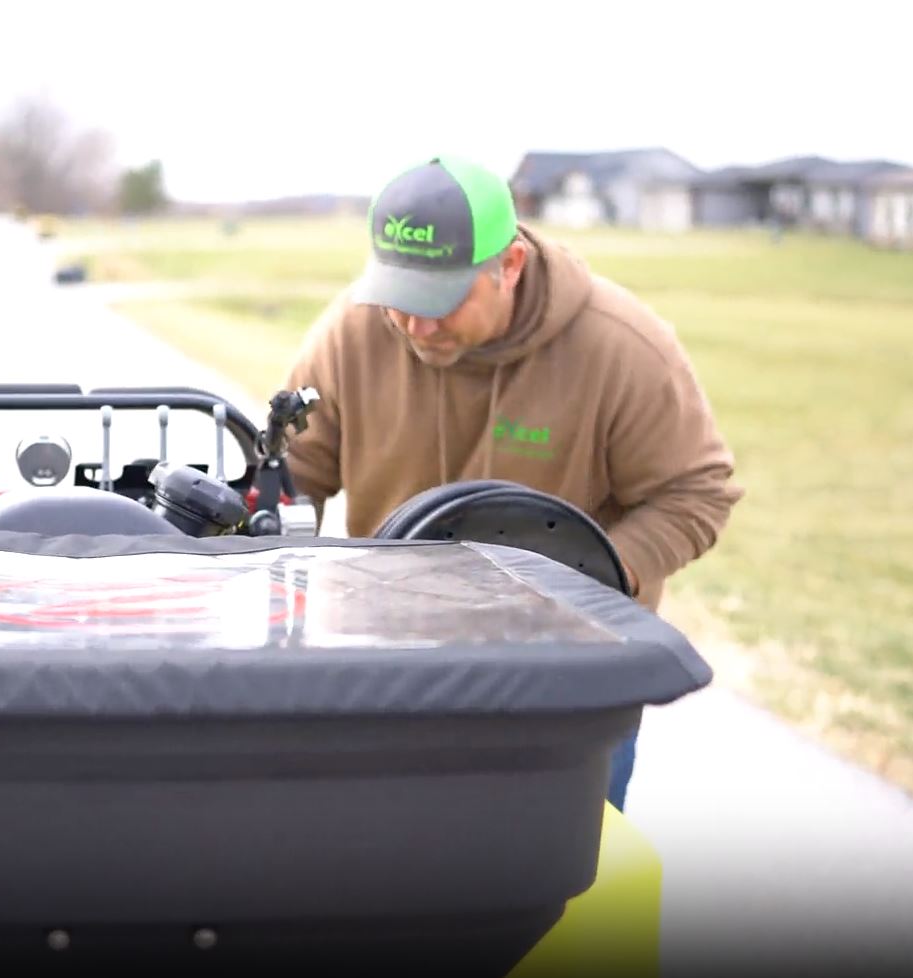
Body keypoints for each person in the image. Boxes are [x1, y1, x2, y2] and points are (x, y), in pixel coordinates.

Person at [282, 156, 744, 810]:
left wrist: (586, 576)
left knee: (561, 890)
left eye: (440, 302)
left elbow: (695, 493)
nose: (416, 327)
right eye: (400, 301)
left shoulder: (619, 348)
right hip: (390, 668)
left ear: (509, 266)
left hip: (568, 685)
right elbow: (293, 474)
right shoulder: (349, 334)